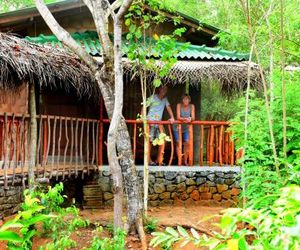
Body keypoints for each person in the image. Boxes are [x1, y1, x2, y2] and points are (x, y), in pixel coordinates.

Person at [146, 85, 175, 166]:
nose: (164, 90)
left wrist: (172, 117)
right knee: (150, 141)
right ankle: (149, 160)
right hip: (150, 122)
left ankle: (159, 160)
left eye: (165, 89)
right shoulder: (153, 97)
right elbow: (144, 105)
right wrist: (143, 118)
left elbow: (168, 108)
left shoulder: (165, 99)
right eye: (162, 89)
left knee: (162, 141)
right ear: (159, 89)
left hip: (158, 123)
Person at [173, 94, 195, 166]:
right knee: (178, 142)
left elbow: (193, 117)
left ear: (189, 100)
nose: (185, 100)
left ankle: (185, 161)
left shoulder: (192, 106)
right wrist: (186, 119)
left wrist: (190, 119)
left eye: (187, 99)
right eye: (184, 99)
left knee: (187, 143)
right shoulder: (179, 105)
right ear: (182, 100)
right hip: (177, 127)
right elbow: (178, 117)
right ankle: (179, 160)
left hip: (186, 127)